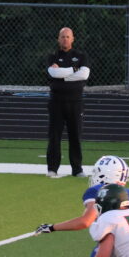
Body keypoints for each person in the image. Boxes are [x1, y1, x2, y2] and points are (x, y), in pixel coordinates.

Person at [45, 26, 89, 178]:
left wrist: (62, 74)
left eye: (68, 37)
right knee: (54, 136)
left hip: (75, 102)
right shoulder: (52, 56)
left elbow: (84, 74)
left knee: (75, 136)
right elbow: (53, 73)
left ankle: (77, 169)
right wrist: (74, 70)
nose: (65, 39)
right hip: (56, 102)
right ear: (58, 39)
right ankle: (52, 169)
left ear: (73, 39)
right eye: (62, 36)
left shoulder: (81, 56)